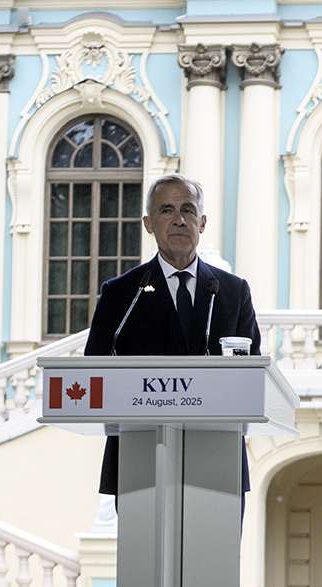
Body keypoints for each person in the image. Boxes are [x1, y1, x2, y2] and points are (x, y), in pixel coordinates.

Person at [85, 174, 261, 499]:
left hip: (217, 463)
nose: (179, 220)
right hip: (139, 461)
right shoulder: (121, 294)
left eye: (188, 210)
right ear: (149, 223)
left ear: (203, 222)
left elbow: (252, 376)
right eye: (167, 210)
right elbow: (93, 368)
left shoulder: (233, 291)